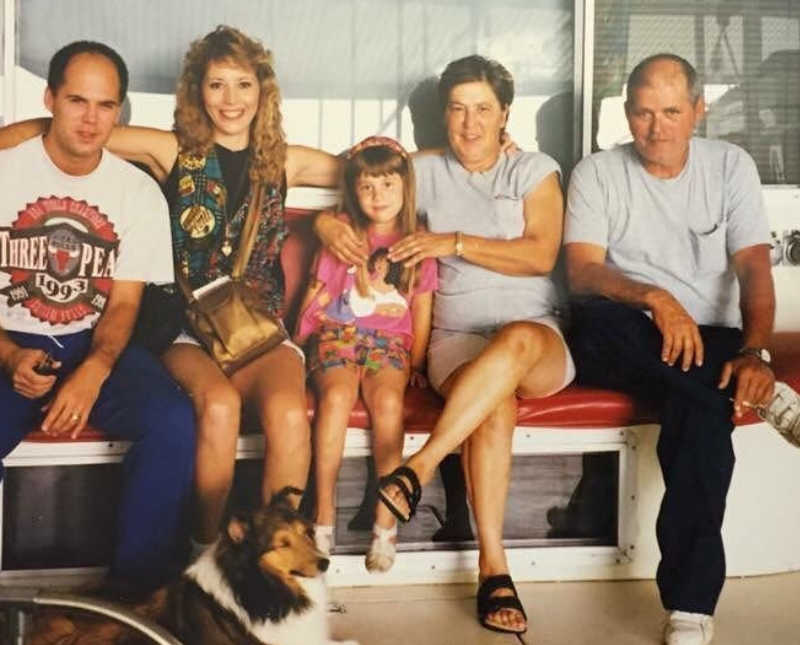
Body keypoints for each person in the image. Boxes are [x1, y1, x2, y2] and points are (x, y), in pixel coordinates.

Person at [0, 25, 341, 555]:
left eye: (243, 85)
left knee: (290, 412)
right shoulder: (172, 149)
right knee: (218, 406)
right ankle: (203, 554)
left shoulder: (284, 160)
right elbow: (71, 129)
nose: (230, 100)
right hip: (186, 324)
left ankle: (277, 556)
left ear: (262, 91)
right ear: (197, 92)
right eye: (216, 85)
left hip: (258, 326)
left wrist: (325, 225)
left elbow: (376, 172)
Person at [317, 55, 575, 635]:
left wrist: (453, 241)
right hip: (455, 339)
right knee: (493, 404)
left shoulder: (533, 169)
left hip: (537, 335)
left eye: (484, 108)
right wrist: (325, 225)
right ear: (443, 116)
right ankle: (493, 568)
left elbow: (539, 254)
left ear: (506, 113)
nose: (471, 122)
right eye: (457, 109)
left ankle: (417, 467)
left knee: (515, 342)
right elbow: (362, 174)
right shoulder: (423, 170)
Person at [564, 53, 799, 645]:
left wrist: (755, 352)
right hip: (625, 333)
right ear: (626, 114)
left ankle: (691, 607)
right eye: (642, 113)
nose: (656, 126)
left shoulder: (730, 166)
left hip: (709, 341)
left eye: (671, 111)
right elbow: (583, 273)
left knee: (702, 416)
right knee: (602, 327)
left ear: (699, 110)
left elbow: (753, 269)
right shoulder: (598, 171)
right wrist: (653, 297)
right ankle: (757, 392)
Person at [0, 41, 195, 592]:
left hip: (93, 338)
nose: (90, 119)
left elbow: (125, 303)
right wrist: (10, 353)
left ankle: (128, 601)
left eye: (105, 105)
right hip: (8, 339)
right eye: (77, 101)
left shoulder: (137, 190)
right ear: (50, 100)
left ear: (120, 110)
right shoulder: (5, 170)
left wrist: (96, 367)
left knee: (173, 422)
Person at [295, 136, 436, 572]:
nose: (377, 196)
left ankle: (385, 524)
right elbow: (318, 295)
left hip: (389, 344)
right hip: (337, 334)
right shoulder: (341, 234)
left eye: (387, 185)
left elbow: (422, 309)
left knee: (389, 404)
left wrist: (417, 364)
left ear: (405, 187)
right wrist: (300, 337)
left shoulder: (416, 244)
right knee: (335, 399)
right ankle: (322, 517)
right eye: (367, 186)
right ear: (353, 190)